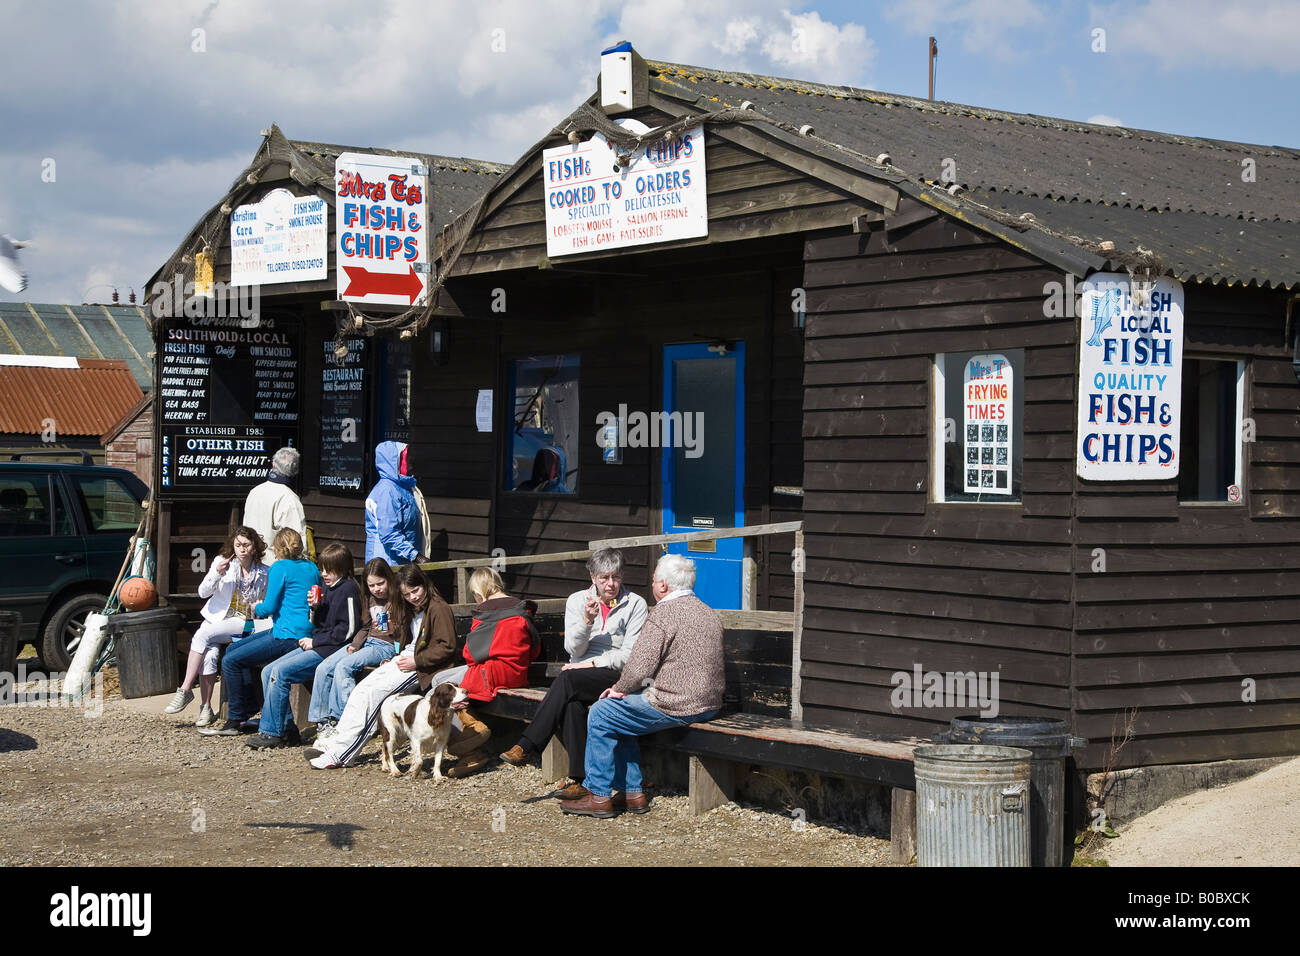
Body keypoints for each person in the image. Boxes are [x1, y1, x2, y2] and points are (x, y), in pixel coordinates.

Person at [561, 554, 725, 818]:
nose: (651, 585)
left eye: (652, 580)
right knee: (621, 712)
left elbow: (639, 667)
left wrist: (619, 687)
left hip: (677, 704)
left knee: (603, 712)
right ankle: (632, 794)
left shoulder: (663, 613)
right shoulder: (708, 612)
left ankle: (598, 795)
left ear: (661, 585)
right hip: (709, 705)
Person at [497, 548, 646, 798]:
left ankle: (528, 744)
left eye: (616, 577)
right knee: (572, 704)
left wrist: (588, 665)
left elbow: (629, 657)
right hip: (579, 677)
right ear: (592, 577)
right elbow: (573, 649)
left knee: (567, 679)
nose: (611, 584)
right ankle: (581, 781)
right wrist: (587, 622)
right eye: (604, 578)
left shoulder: (636, 604)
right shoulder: (577, 601)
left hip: (616, 676)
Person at [307, 564, 458, 769]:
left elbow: (447, 647)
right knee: (361, 690)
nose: (413, 596)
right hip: (405, 659)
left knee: (374, 696)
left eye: (416, 590)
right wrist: (396, 656)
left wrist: (417, 661)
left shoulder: (438, 608)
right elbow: (407, 640)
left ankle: (342, 754)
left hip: (422, 667)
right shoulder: (412, 608)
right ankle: (335, 743)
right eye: (407, 593)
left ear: (425, 584)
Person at [201, 528, 318, 737]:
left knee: (231, 660)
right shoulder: (311, 567)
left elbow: (269, 607)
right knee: (234, 650)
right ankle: (249, 709)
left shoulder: (280, 568)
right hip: (305, 629)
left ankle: (236, 718)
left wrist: (257, 607)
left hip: (286, 634)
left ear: (278, 548)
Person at [245, 543, 363, 749]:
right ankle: (287, 729)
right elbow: (317, 623)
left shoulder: (349, 589)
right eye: (322, 569)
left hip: (331, 649)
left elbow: (348, 630)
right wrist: (314, 608)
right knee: (267, 672)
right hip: (318, 644)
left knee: (280, 672)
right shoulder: (327, 588)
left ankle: (272, 732)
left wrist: (315, 641)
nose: (324, 574)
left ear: (343, 568)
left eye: (329, 570)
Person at [440, 567, 541, 779]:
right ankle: (468, 741)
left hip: (493, 674)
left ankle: (468, 749)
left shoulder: (486, 613)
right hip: (518, 673)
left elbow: (470, 654)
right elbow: (535, 649)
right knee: (448, 682)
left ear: (479, 591)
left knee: (441, 685)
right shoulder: (522, 609)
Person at [164, 527, 269, 725]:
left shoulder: (264, 572)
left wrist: (260, 607)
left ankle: (185, 690)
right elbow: (203, 592)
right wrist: (217, 574)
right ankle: (206, 708)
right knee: (209, 655)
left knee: (201, 636)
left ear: (254, 546)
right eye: (238, 545)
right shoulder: (223, 564)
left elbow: (267, 602)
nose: (242, 549)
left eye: (246, 545)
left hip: (244, 623)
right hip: (216, 619)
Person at [309, 557, 407, 741]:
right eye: (372, 585)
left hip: (385, 646)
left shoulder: (398, 600)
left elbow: (403, 633)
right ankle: (322, 721)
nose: (377, 589)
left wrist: (396, 652)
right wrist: (355, 645)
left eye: (380, 583)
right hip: (366, 643)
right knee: (325, 667)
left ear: (389, 579)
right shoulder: (369, 599)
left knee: (344, 667)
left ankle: (348, 719)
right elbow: (365, 627)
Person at [365, 441, 427, 566]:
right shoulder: (387, 491)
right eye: (406, 458)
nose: (410, 462)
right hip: (386, 565)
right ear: (395, 461)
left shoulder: (403, 488)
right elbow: (388, 534)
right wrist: (416, 556)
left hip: (402, 562)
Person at [242, 447, 307, 565]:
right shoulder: (289, 498)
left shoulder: (254, 492)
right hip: (275, 568)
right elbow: (296, 541)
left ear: (273, 464)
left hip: (251, 563)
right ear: (295, 471)